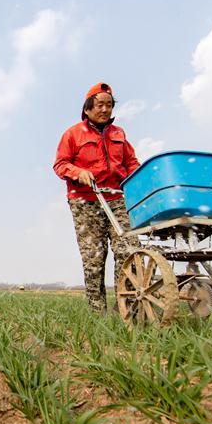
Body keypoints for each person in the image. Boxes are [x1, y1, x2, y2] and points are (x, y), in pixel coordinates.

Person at [53, 82, 141, 314]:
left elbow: (131, 162)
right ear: (87, 108)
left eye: (109, 105)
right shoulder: (73, 134)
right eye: (100, 105)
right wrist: (78, 172)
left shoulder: (119, 134)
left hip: (117, 198)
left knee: (129, 250)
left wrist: (138, 178)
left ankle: (125, 309)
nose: (105, 109)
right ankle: (97, 314)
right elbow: (60, 164)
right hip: (85, 200)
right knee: (94, 258)